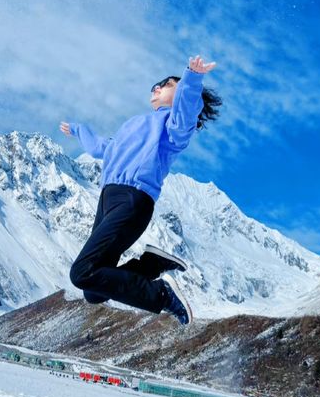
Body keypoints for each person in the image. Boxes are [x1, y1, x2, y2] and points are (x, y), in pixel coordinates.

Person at [60, 55, 220, 325]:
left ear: (180, 92)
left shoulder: (174, 127)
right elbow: (102, 147)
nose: (156, 87)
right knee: (92, 290)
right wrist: (79, 130)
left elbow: (186, 111)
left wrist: (191, 79)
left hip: (133, 199)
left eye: (165, 84)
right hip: (108, 201)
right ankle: (151, 265)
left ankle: (162, 295)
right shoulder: (135, 124)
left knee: (81, 272)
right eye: (155, 85)